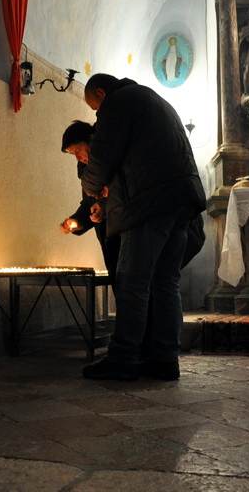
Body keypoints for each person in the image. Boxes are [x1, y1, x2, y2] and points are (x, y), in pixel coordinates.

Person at [79, 74, 206, 381]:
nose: (97, 114)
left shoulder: (119, 102)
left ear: (101, 93)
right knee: (165, 282)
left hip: (149, 203)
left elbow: (104, 155)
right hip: (181, 201)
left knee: (132, 281)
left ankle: (123, 357)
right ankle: (164, 359)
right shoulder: (155, 100)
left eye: (95, 107)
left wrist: (90, 187)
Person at [58, 120, 120, 281]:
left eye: (78, 150)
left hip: (129, 235)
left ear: (92, 139)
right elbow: (89, 204)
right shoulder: (87, 174)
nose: (78, 158)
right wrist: (77, 221)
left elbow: (126, 192)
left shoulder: (114, 161)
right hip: (109, 240)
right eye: (73, 154)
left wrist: (106, 206)